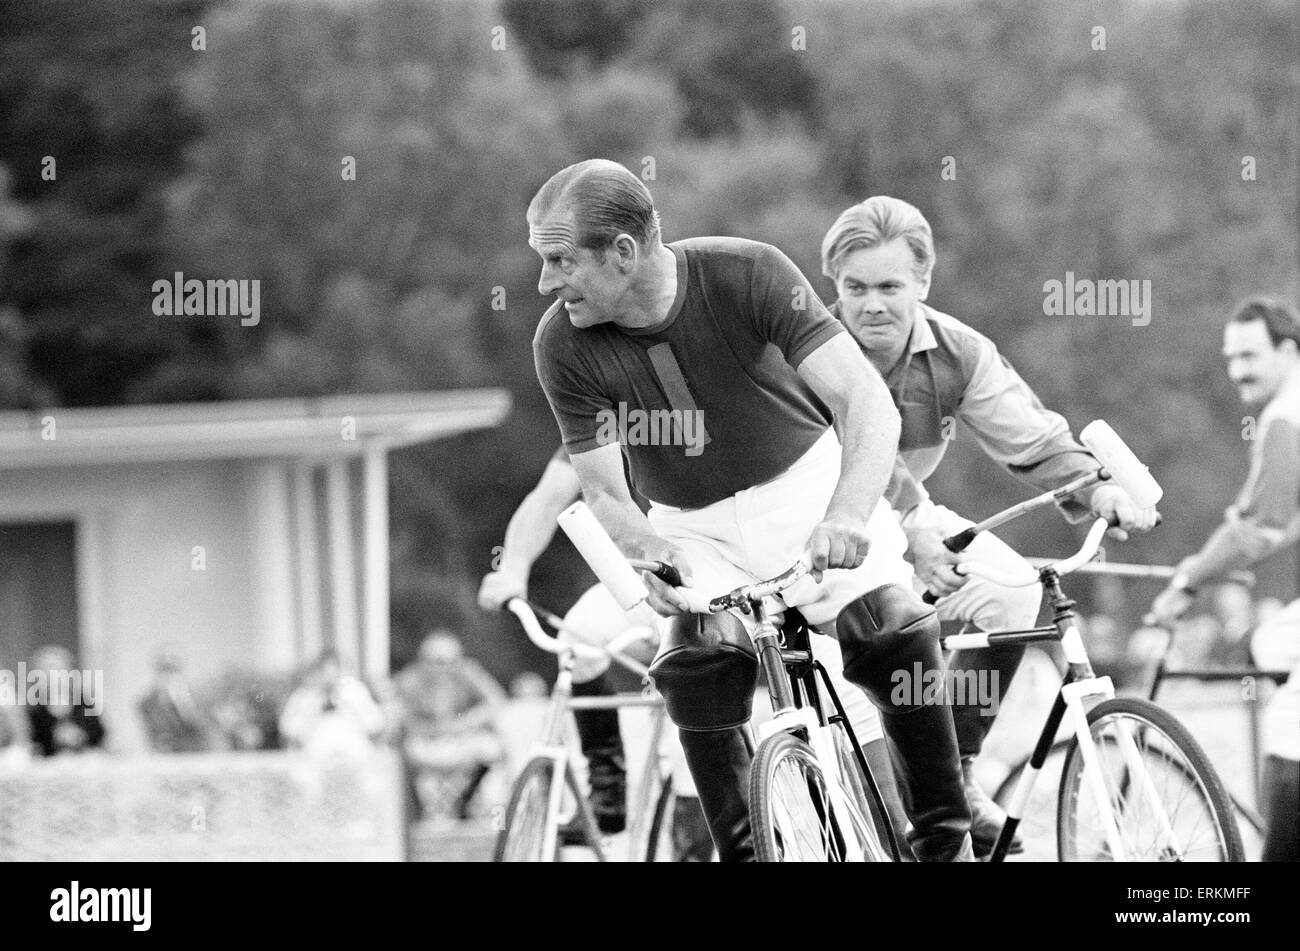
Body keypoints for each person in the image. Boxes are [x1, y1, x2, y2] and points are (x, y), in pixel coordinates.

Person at [530, 159, 974, 861]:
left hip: (809, 493)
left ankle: (948, 845)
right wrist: (650, 549)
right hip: (689, 528)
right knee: (696, 665)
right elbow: (608, 493)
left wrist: (851, 515)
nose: (545, 283)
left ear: (622, 252)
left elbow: (866, 402)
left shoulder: (748, 273)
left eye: (560, 260)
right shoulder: (561, 344)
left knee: (892, 631)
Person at [819, 196, 1157, 855]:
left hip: (904, 520)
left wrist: (1100, 487)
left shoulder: (958, 351)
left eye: (890, 286)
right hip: (820, 526)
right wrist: (913, 526)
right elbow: (862, 459)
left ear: (924, 282)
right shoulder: (813, 349)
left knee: (1013, 586)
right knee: (879, 787)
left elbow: (1032, 438)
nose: (872, 305)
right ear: (835, 286)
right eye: (854, 288)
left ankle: (957, 768)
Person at [1150, 296, 1300, 862]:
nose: (1237, 370)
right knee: (1270, 642)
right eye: (1230, 357)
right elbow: (1279, 520)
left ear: (1288, 350)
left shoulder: (1287, 416)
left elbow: (1261, 526)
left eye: (1250, 356)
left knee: (1290, 729)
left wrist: (1189, 580)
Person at [396, 631, 506, 821]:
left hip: (461, 741)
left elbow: (496, 700)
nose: (443, 668)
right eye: (435, 661)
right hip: (425, 744)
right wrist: (427, 728)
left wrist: (465, 722)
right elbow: (399, 713)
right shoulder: (410, 679)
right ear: (423, 660)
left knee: (493, 751)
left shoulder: (468, 672)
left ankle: (495, 818)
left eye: (449, 661)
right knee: (410, 758)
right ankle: (433, 816)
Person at [279, 650, 385, 758]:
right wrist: (313, 709)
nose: (329, 677)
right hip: (315, 754)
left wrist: (347, 704)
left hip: (353, 755)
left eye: (333, 671)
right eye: (324, 672)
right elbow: (289, 729)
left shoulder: (355, 691)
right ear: (318, 672)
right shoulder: (305, 695)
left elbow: (375, 724)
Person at [25, 645, 106, 757]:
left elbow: (99, 735)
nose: (53, 676)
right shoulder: (35, 710)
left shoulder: (83, 704)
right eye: (45, 671)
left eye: (58, 670)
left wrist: (81, 736)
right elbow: (32, 742)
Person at [137, 645, 212, 753]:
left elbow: (205, 731)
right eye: (165, 668)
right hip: (168, 762)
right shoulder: (146, 703)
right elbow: (154, 739)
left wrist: (183, 703)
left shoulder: (200, 698)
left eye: (173, 668)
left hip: (200, 758)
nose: (169, 674)